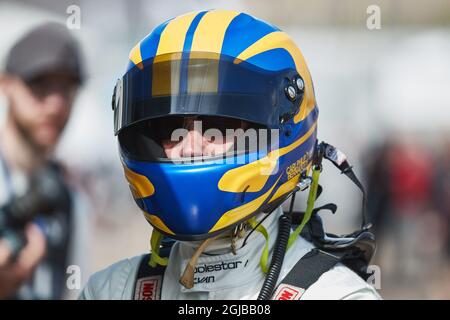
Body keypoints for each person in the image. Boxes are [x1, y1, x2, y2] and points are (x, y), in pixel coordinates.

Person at [80, 10, 381, 300]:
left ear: (283, 129)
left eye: (217, 126)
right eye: (168, 127)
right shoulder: (111, 291)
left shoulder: (337, 295)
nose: (189, 144)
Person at [0, 22, 88, 299]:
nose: (55, 104)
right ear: (5, 84)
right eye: (40, 83)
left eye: (67, 88)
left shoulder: (73, 198)